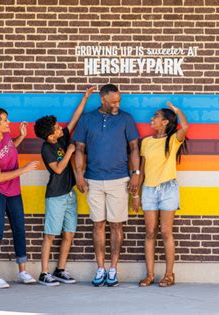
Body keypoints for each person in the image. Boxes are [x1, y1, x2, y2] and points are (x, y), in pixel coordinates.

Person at [73, 84, 140, 287]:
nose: (117, 105)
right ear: (102, 99)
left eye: (119, 101)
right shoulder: (87, 119)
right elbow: (79, 149)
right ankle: (100, 268)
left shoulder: (125, 118)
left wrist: (136, 174)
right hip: (93, 179)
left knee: (116, 225)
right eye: (113, 102)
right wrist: (79, 174)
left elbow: (134, 147)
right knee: (98, 224)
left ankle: (113, 269)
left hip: (119, 179)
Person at [33, 86, 96, 286]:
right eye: (57, 129)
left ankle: (60, 269)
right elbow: (58, 169)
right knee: (51, 234)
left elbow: (75, 119)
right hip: (56, 195)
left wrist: (85, 98)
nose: (61, 128)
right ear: (50, 136)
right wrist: (69, 151)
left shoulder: (61, 137)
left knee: (69, 233)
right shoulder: (47, 147)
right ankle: (44, 273)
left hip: (69, 194)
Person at [0, 107, 39, 289]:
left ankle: (22, 271)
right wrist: (24, 170)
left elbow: (9, 148)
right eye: (5, 121)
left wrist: (21, 136)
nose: (9, 123)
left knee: (19, 229)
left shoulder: (5, 136)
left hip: (13, 190)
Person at [132, 102, 188, 287]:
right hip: (148, 190)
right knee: (149, 232)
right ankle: (149, 275)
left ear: (164, 122)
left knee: (165, 232)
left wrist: (178, 111)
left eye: (155, 116)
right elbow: (142, 170)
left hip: (168, 189)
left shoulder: (172, 141)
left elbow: (185, 127)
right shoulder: (146, 142)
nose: (152, 119)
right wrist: (136, 195)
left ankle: (169, 275)